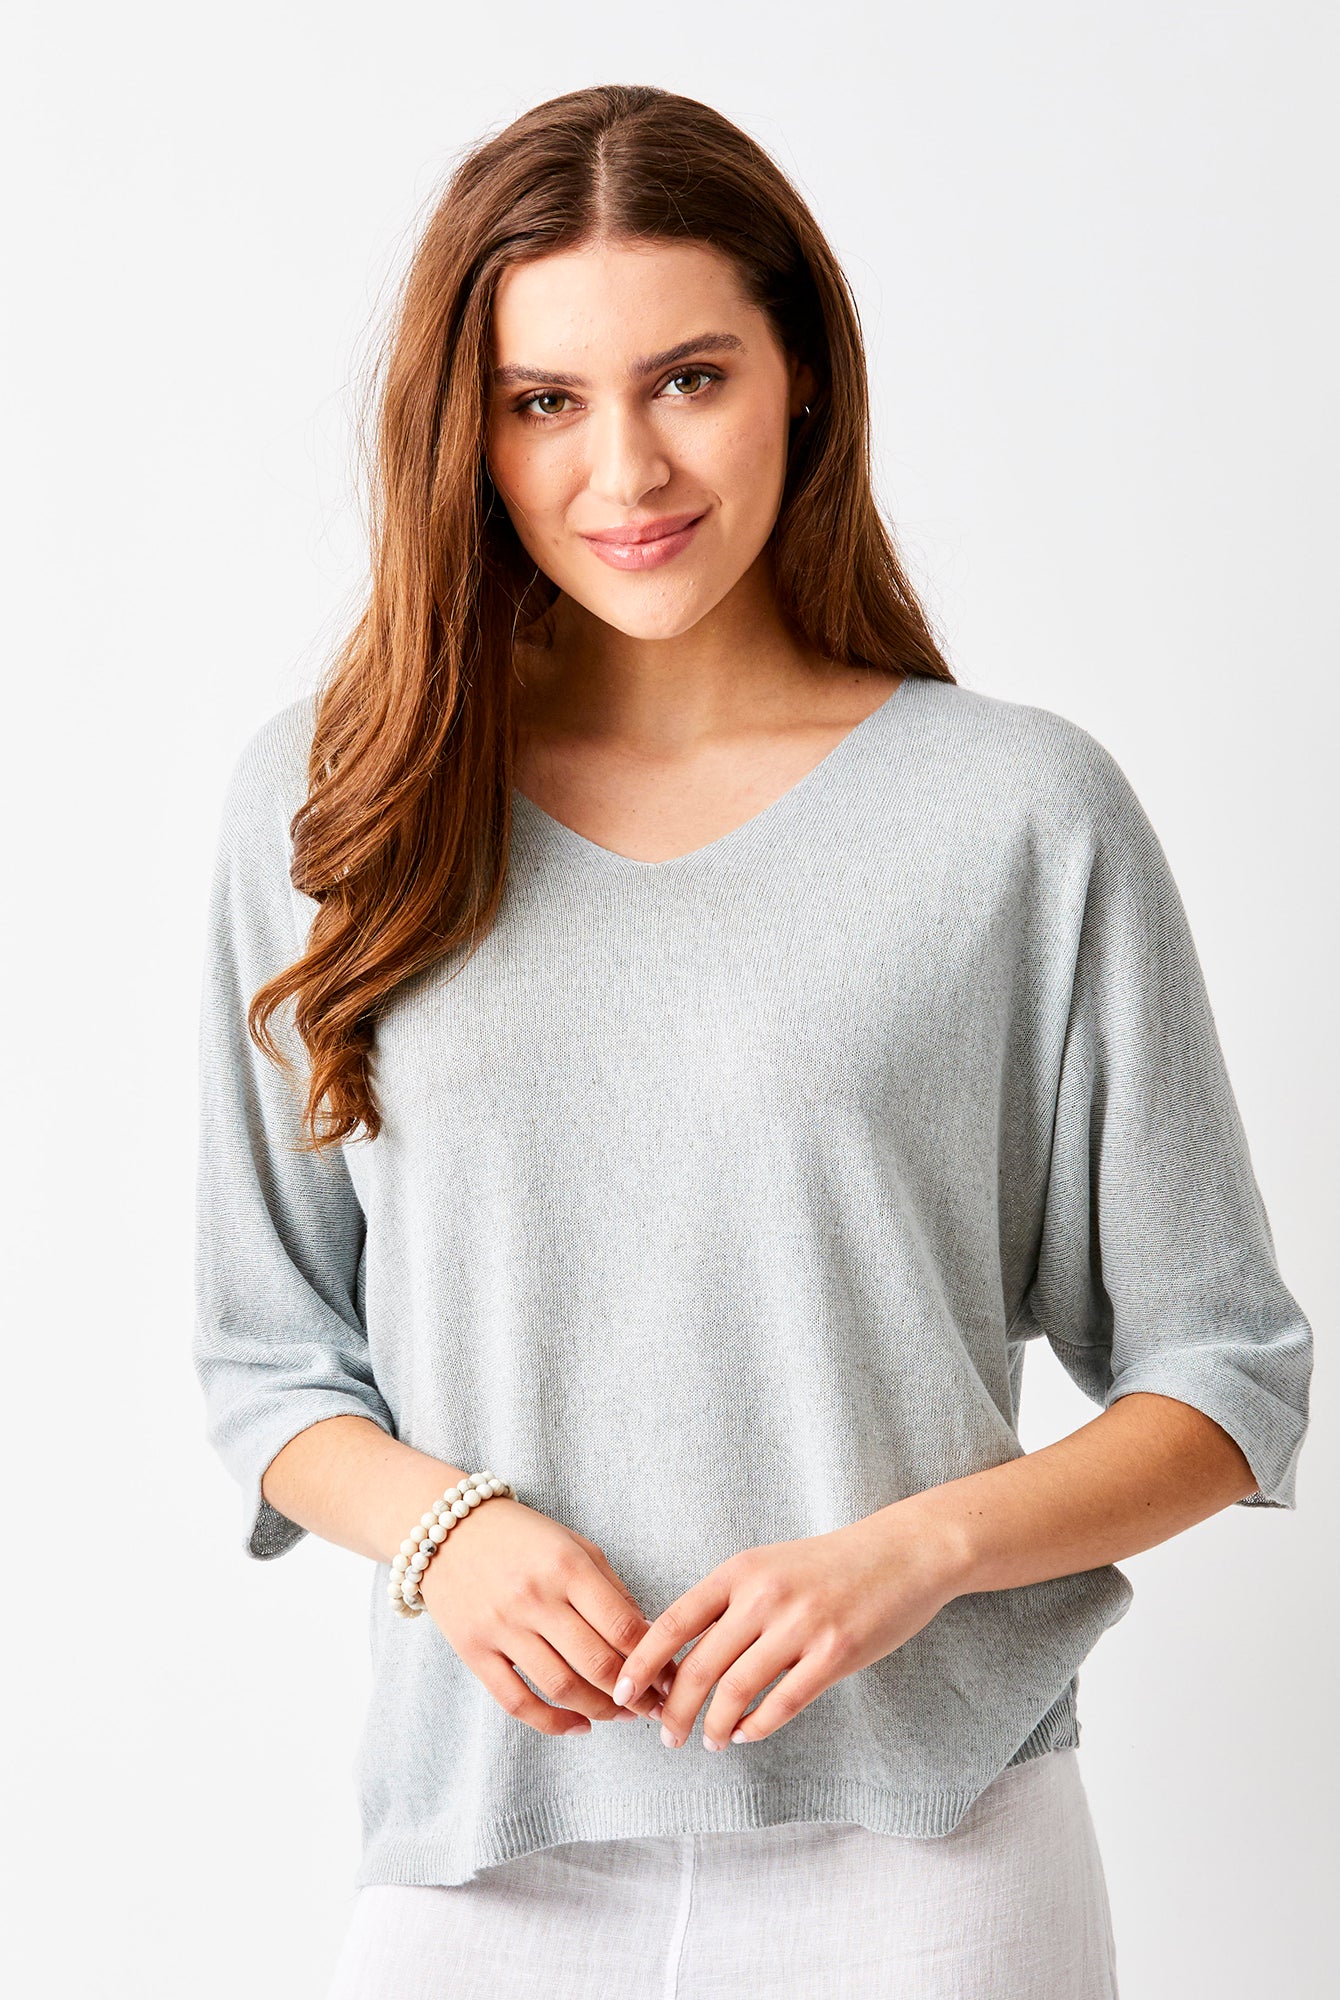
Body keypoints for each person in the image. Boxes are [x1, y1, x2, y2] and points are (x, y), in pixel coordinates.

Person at [192, 83, 1314, 2000]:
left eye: (690, 378)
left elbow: (1226, 1379)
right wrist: (447, 1530)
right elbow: (268, 1358)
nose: (624, 466)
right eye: (544, 399)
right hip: (484, 1859)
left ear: (802, 378)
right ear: (467, 430)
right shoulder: (337, 803)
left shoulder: (1018, 815)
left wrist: (919, 1554)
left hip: (933, 1858)